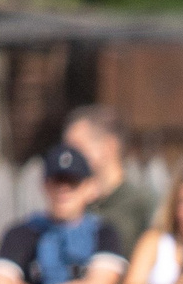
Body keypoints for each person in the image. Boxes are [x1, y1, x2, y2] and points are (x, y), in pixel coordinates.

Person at [0, 142, 127, 284]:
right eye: (57, 180)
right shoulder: (20, 233)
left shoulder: (104, 233)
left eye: (72, 182)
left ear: (89, 187)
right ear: (45, 185)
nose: (64, 189)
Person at [61, 107, 156, 264]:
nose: (68, 157)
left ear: (110, 146)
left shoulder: (142, 202)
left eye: (77, 147)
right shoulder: (69, 201)